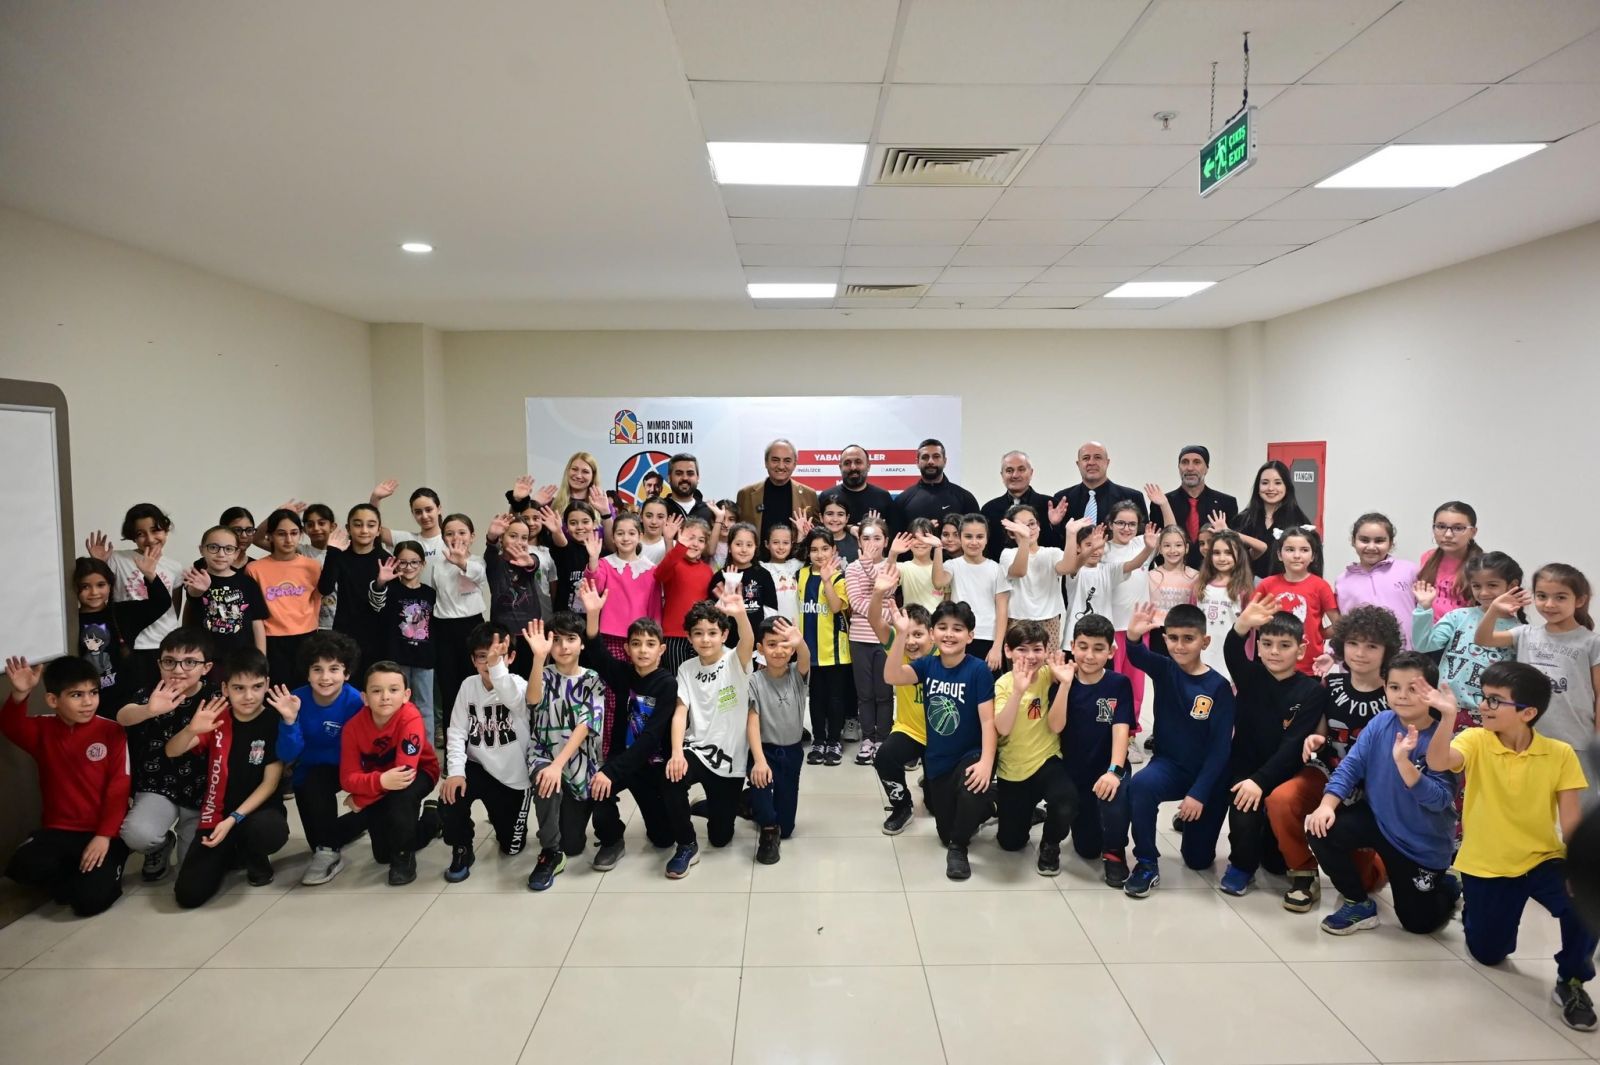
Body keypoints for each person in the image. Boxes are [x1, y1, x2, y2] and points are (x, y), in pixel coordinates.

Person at [1420, 662, 1598, 1032]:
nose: (1483, 706)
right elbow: (1438, 761)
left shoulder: (1560, 753)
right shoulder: (1475, 740)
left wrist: (1580, 872)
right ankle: (1473, 909)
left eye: (1495, 700)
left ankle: (1572, 979)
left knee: (1587, 900)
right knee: (1489, 954)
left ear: (1528, 713)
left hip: (1542, 859)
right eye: (1484, 697)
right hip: (1486, 865)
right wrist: (1448, 717)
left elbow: (1571, 820)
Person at [1304, 651, 1459, 935]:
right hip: (1379, 820)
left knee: (1418, 924)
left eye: (1413, 689)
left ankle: (1446, 886)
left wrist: (1405, 765)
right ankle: (1358, 903)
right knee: (1320, 828)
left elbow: (1439, 801)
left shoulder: (1442, 740)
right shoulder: (1381, 722)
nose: (1402, 696)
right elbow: (1351, 767)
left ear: (1431, 693)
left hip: (1418, 844)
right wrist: (1326, 805)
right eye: (1394, 687)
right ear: (1385, 687)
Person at [1269, 605, 1398, 913]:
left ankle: (1387, 862)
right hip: (1326, 772)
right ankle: (1303, 873)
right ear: (1341, 645)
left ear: (1386, 651)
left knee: (1365, 882)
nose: (1360, 653)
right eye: (1353, 643)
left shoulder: (1394, 693)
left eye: (1371, 646)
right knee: (1281, 799)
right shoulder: (1332, 683)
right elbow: (1321, 732)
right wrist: (1315, 739)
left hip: (1370, 787)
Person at [1114, 603, 1235, 897]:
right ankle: (1146, 863)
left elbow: (1221, 750)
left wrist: (1199, 793)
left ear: (1205, 641)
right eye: (1173, 638)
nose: (1179, 646)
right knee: (1141, 785)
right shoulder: (1165, 669)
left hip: (1208, 777)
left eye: (1188, 639)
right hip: (1170, 766)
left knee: (1197, 860)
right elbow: (1137, 655)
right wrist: (1133, 636)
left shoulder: (1219, 687)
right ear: (1165, 639)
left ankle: (1190, 817)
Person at [1216, 596, 1329, 896]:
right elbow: (1232, 652)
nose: (1274, 652)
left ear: (1301, 649)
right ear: (1258, 646)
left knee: (1275, 863)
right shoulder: (1250, 675)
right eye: (1267, 644)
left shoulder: (1311, 691)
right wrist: (1241, 625)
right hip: (1244, 768)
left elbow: (1293, 745)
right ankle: (1241, 865)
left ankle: (1272, 845)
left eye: (1284, 645)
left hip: (1284, 772)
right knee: (1243, 812)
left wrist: (1262, 781)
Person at [2, 654, 131, 916]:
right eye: (76, 695)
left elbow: (119, 788)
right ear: (53, 700)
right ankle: (76, 874)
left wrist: (104, 836)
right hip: (58, 831)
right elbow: (11, 726)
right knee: (21, 868)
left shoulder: (112, 730)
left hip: (103, 833)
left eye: (93, 693)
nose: (88, 702)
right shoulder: (43, 729)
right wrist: (20, 694)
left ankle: (102, 870)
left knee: (89, 902)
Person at [884, 600, 996, 881]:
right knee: (945, 832)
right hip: (938, 759)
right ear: (933, 634)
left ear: (970, 636)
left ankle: (959, 849)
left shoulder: (978, 670)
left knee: (969, 795)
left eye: (958, 629)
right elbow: (892, 675)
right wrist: (900, 634)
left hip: (970, 754)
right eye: (943, 627)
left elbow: (988, 722)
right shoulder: (927, 665)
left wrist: (986, 762)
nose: (949, 634)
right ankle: (993, 804)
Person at [169, 651, 289, 907]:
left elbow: (270, 783)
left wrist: (234, 819)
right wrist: (191, 729)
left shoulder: (273, 720)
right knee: (188, 895)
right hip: (216, 814)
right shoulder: (216, 718)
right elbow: (172, 751)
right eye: (239, 688)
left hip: (258, 811)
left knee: (267, 832)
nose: (249, 696)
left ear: (267, 684)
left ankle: (253, 854)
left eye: (257, 687)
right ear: (225, 688)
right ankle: (231, 854)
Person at [576, 579, 679, 869]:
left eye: (650, 644)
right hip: (622, 760)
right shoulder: (623, 674)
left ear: (661, 649)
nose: (643, 650)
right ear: (626, 649)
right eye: (636, 644)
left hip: (653, 766)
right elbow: (597, 652)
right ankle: (612, 840)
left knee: (663, 839)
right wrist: (593, 614)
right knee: (599, 788)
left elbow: (650, 738)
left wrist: (611, 770)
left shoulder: (667, 684)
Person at [662, 588, 756, 878]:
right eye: (698, 633)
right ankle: (687, 845)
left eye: (713, 633)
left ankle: (719, 805)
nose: (706, 639)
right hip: (697, 749)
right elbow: (680, 712)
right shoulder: (686, 668)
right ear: (689, 638)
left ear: (724, 635)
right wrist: (676, 753)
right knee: (671, 778)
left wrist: (740, 613)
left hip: (730, 760)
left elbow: (748, 640)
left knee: (720, 837)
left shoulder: (735, 660)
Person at [116, 627, 215, 882]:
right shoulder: (152, 692)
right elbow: (122, 716)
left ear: (206, 667)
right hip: (157, 784)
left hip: (202, 789)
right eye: (169, 661)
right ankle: (160, 845)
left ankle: (191, 839)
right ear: (159, 664)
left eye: (190, 662)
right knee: (137, 834)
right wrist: (149, 710)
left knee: (192, 871)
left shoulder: (216, 696)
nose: (178, 670)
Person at [438, 624, 534, 885]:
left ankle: (498, 813)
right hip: (478, 767)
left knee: (512, 847)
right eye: (483, 656)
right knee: (450, 796)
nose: (489, 662)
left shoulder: (519, 685)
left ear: (511, 657)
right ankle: (462, 846)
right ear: (473, 660)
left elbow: (512, 699)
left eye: (498, 655)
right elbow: (456, 731)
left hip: (512, 778)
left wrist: (496, 666)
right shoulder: (468, 686)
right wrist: (455, 773)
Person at [271, 631, 368, 886]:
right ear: (307, 673)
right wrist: (289, 721)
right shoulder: (296, 700)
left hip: (349, 768)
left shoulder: (357, 702)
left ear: (347, 673)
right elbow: (287, 754)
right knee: (318, 842)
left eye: (334, 669)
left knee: (326, 837)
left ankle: (331, 850)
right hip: (310, 773)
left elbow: (366, 749)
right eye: (317, 669)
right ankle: (343, 834)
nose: (325, 677)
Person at [518, 615, 607, 889]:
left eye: (571, 639)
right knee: (546, 781)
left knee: (574, 845)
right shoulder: (543, 674)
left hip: (579, 763)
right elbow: (532, 700)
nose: (563, 646)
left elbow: (586, 725)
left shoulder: (593, 679)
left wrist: (560, 764)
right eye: (556, 640)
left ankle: (568, 822)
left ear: (582, 644)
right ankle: (550, 853)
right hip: (544, 754)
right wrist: (538, 658)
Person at [1475, 563, 1600, 752]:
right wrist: (1493, 609)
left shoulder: (1591, 642)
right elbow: (1483, 639)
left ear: (1580, 600)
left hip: (1575, 741)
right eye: (1542, 596)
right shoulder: (1525, 633)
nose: (1549, 604)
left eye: (1560, 597)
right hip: (1526, 739)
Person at [339, 660, 443, 886]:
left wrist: (361, 799)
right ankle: (432, 818)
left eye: (393, 690)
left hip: (420, 771)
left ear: (406, 695)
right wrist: (379, 782)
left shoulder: (410, 717)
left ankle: (404, 859)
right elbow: (347, 779)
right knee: (382, 855)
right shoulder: (352, 728)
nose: (385, 697)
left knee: (401, 799)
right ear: (365, 698)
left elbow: (405, 773)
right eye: (377, 691)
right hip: (382, 779)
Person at [1056, 614, 1136, 886]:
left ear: (1111, 651)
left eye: (1098, 648)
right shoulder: (1062, 681)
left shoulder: (1118, 683)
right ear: (1072, 646)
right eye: (1083, 646)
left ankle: (1115, 853)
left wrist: (1114, 771)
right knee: (1087, 848)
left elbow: (1121, 731)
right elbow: (1055, 727)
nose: (1089, 655)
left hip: (1108, 766)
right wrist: (1064, 685)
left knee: (1116, 793)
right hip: (1075, 771)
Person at [993, 623, 1076, 877]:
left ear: (1046, 651)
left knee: (1066, 800)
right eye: (1022, 649)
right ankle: (1014, 806)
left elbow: (1058, 724)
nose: (1030, 656)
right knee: (1011, 843)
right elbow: (1002, 728)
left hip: (1046, 760)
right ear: (1008, 651)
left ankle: (1050, 844)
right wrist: (1018, 691)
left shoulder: (1049, 674)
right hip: (1013, 768)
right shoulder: (1003, 684)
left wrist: (1065, 684)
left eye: (1037, 649)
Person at [90, 503, 188, 689]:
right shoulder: (117, 559)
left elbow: (173, 607)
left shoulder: (174, 567)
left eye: (155, 530)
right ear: (132, 537)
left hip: (167, 645)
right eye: (141, 534)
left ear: (166, 530)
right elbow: (98, 591)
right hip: (133, 645)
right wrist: (98, 563)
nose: (150, 539)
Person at [1413, 550, 1521, 717]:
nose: (1483, 593)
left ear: (1512, 586)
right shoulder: (1458, 616)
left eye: (1492, 585)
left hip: (1486, 714)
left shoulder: (1520, 631)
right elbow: (1423, 645)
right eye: (1476, 586)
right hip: (1444, 707)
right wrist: (1424, 608)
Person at [868, 567, 933, 835]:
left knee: (937, 805)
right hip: (910, 730)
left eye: (918, 634)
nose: (911, 641)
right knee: (884, 757)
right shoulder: (897, 646)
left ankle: (933, 782)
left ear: (932, 634)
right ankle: (902, 806)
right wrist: (878, 592)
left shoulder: (944, 654)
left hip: (941, 737)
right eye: (907, 634)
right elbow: (875, 621)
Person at [74, 553, 171, 719]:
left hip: (126, 701)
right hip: (86, 702)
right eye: (85, 586)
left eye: (100, 585)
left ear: (110, 585)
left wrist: (149, 575)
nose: (94, 592)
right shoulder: (68, 621)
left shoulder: (123, 613)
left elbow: (161, 602)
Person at [747, 617, 811, 863]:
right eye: (771, 644)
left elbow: (805, 658)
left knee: (787, 827)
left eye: (785, 644)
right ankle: (767, 830)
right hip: (764, 750)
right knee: (765, 797)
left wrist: (800, 642)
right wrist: (759, 760)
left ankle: (749, 802)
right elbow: (752, 721)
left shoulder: (797, 674)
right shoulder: (754, 681)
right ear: (760, 649)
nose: (779, 650)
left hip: (792, 752)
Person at [247, 509, 325, 688]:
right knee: (277, 691)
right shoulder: (255, 569)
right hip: (272, 639)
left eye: (294, 533)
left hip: (307, 637)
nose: (289, 540)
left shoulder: (313, 566)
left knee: (306, 691)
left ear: (301, 534)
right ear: (270, 536)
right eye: (281, 534)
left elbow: (318, 597)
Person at [426, 513, 489, 732]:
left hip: (472, 628)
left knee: (475, 685)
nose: (456, 538)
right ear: (443, 537)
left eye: (462, 532)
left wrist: (461, 562)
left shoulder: (478, 561)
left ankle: (477, 742)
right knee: (448, 689)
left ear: (472, 536)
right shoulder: (437, 565)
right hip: (444, 629)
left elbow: (478, 576)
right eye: (450, 533)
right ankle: (452, 745)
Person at [368, 542, 438, 736]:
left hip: (424, 659)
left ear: (423, 564)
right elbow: (376, 604)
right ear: (396, 564)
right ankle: (397, 747)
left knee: (425, 707)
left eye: (414, 562)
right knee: (395, 706)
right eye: (403, 562)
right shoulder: (389, 589)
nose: (409, 567)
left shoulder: (430, 593)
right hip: (396, 658)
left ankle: (427, 751)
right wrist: (380, 583)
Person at [798, 531, 852, 765]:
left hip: (835, 651)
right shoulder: (801, 574)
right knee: (816, 698)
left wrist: (827, 580)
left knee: (836, 699)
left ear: (834, 550)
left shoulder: (839, 578)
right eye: (814, 550)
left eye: (824, 549)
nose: (819, 554)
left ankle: (834, 740)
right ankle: (819, 739)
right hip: (810, 651)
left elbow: (836, 606)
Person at [318, 504, 391, 675]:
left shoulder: (385, 559)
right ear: (348, 528)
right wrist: (332, 552)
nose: (364, 530)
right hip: (345, 632)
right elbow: (325, 588)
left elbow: (388, 603)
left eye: (371, 525)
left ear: (378, 530)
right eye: (358, 524)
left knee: (376, 680)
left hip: (379, 633)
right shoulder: (339, 556)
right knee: (348, 680)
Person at [843, 518, 894, 762]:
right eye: (866, 538)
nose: (871, 543)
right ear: (859, 542)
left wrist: (869, 566)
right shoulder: (852, 568)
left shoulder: (892, 566)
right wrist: (881, 609)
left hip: (885, 639)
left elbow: (887, 592)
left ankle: (883, 738)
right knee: (865, 694)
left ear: (886, 541)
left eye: (877, 538)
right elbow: (856, 603)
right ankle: (868, 739)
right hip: (859, 639)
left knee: (884, 693)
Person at [1256, 528, 1340, 675]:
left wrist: (1318, 633)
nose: (1296, 555)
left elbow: (1339, 625)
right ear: (1279, 555)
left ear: (1313, 556)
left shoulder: (1321, 586)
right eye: (1290, 549)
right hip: (1271, 664)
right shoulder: (1266, 585)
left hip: (1310, 667)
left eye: (1304, 550)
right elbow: (1252, 619)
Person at [1335, 513, 1422, 646]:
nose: (1371, 547)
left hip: (1405, 653)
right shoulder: (1343, 581)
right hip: (1364, 654)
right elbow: (1344, 625)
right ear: (1353, 541)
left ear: (1391, 543)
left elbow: (1424, 613)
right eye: (1364, 540)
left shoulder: (1410, 571)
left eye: (1379, 541)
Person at [182, 525, 268, 657]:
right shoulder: (197, 579)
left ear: (236, 553)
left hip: (242, 658)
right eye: (213, 547)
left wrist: (261, 657)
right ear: (202, 550)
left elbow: (257, 623)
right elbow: (193, 594)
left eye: (228, 549)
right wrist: (198, 589)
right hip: (204, 657)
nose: (221, 554)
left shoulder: (248, 583)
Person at [944, 514, 1010, 672]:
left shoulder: (996, 569)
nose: (974, 542)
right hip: (958, 635)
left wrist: (997, 647)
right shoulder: (951, 565)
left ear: (987, 539)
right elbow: (939, 582)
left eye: (979, 537)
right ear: (960, 538)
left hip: (987, 638)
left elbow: (1002, 610)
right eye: (968, 536)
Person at [1000, 505, 1071, 650]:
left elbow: (1067, 568)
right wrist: (1024, 540)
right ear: (1011, 533)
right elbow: (1019, 571)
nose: (1028, 529)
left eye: (1032, 524)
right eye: (1022, 526)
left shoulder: (1052, 553)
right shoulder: (1008, 554)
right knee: (1020, 661)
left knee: (1048, 662)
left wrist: (1071, 535)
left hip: (1049, 619)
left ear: (1039, 526)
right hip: (1017, 619)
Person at [484, 512, 544, 678]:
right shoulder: (495, 562)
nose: (519, 542)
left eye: (524, 538)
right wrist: (491, 537)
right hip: (503, 633)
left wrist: (529, 561)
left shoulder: (529, 561)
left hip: (530, 633)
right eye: (513, 536)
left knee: (529, 677)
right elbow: (490, 551)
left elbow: (534, 562)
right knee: (504, 677)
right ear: (502, 538)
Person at [1231, 460, 1313, 581]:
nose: (1271, 488)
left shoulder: (1299, 521)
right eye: (1265, 483)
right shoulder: (1242, 519)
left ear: (1286, 486)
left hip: (1287, 587)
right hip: (1245, 586)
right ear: (1258, 487)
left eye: (1278, 483)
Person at [656, 516, 717, 674]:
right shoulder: (674, 563)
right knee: (676, 679)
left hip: (700, 635)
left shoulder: (707, 570)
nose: (695, 543)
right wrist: (678, 546)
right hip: (674, 636)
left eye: (701, 540)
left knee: (700, 679)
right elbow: (659, 574)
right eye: (690, 537)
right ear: (680, 537)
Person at [1047, 441, 1147, 537]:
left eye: (1098, 457)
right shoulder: (1062, 499)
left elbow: (1142, 539)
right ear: (1078, 464)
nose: (1091, 462)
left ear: (1107, 462)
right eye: (1086, 458)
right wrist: (1054, 524)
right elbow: (1055, 541)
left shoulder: (1132, 498)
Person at [1163, 445, 1239, 569]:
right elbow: (1157, 545)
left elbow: (1233, 545)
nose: (1190, 468)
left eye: (1197, 462)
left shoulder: (1226, 503)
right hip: (1175, 573)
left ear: (1207, 468)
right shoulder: (1164, 503)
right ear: (1178, 467)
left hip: (1215, 572)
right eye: (1184, 462)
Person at [1196, 529, 1253, 683]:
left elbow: (1250, 632)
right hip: (1202, 657)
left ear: (1239, 556)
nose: (1222, 558)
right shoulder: (1200, 587)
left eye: (1228, 553)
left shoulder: (1244, 590)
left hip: (1231, 662)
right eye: (1216, 553)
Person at [736, 439, 820, 543]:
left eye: (787, 461)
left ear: (795, 464)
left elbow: (818, 535)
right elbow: (736, 533)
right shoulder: (746, 494)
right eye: (775, 460)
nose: (780, 466)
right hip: (755, 554)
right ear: (766, 462)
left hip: (796, 553)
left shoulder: (809, 495)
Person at [981, 451, 1058, 557]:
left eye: (1021, 470)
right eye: (1009, 470)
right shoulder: (989, 509)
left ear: (1031, 473)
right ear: (1002, 475)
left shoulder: (1050, 505)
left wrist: (1055, 525)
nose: (1015, 475)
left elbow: (1061, 546)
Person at [891, 439, 980, 530]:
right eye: (925, 457)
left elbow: (975, 534)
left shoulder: (965, 499)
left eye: (936, 457)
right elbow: (896, 537)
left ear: (944, 461)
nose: (931, 461)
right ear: (917, 462)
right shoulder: (902, 501)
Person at [1417, 501, 1483, 620]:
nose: (1448, 534)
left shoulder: (1483, 565)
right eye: (1441, 527)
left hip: (1464, 629)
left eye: (1458, 528)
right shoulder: (1428, 557)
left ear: (1473, 532)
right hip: (1427, 629)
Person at [818, 444, 894, 527]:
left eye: (858, 462)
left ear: (868, 466)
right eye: (847, 463)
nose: (853, 467)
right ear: (840, 467)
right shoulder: (826, 497)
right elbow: (819, 531)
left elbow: (892, 532)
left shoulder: (883, 497)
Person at [663, 453, 716, 525]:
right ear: (669, 478)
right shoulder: (660, 508)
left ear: (697, 478)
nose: (685, 478)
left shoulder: (709, 511)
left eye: (690, 473)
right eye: (679, 473)